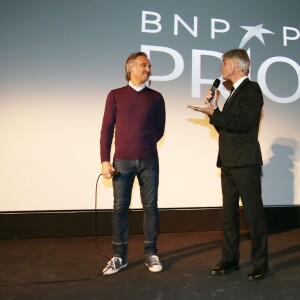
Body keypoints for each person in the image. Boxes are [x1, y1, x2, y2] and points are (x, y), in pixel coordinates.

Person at [190, 49, 269, 280]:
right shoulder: (233, 93)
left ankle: (261, 264)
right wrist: (212, 112)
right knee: (229, 215)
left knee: (253, 215)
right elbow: (227, 128)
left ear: (236, 65)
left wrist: (216, 112)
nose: (220, 68)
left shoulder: (251, 90)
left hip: (245, 161)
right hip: (228, 160)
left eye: (223, 63)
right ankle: (230, 260)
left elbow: (244, 122)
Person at [100, 51, 166, 275]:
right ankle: (119, 256)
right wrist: (104, 161)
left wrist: (142, 144)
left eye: (149, 66)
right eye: (144, 65)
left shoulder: (156, 97)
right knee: (120, 208)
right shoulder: (115, 95)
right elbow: (106, 130)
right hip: (122, 162)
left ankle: (151, 253)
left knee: (151, 208)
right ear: (130, 67)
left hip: (149, 161)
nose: (148, 70)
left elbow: (159, 130)